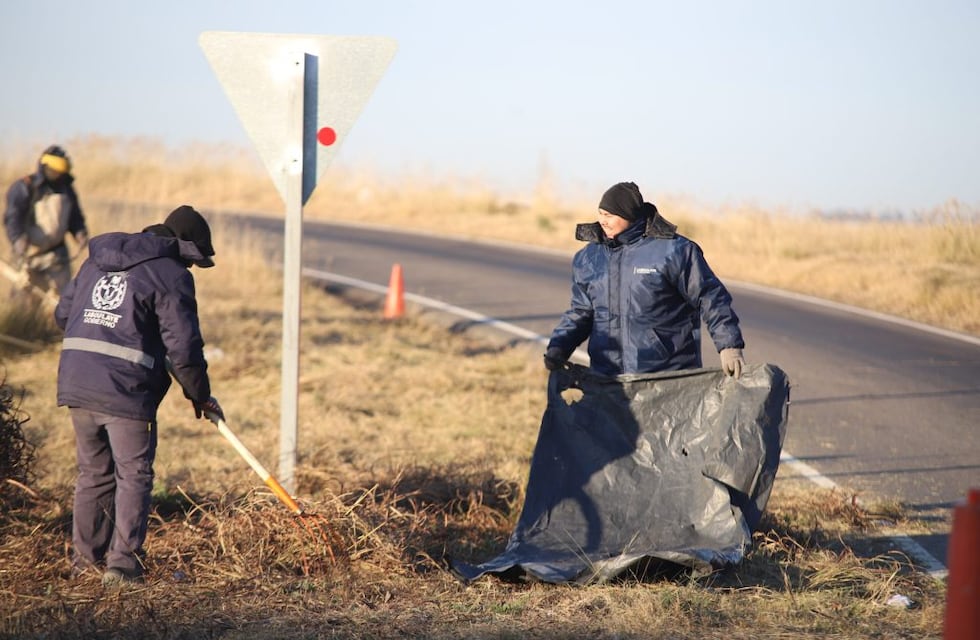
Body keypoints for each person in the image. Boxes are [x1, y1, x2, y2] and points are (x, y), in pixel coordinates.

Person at [54, 205, 223, 587]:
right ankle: (123, 566)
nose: (191, 267)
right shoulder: (171, 273)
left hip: (77, 381)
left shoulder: (95, 260)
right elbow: (183, 347)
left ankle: (85, 564)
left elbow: (62, 316)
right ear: (183, 245)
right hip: (126, 392)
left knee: (93, 474)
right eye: (193, 260)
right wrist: (200, 394)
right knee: (134, 474)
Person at [544, 181, 745, 378]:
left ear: (628, 214)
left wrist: (729, 346)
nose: (603, 221)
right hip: (607, 379)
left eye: (609, 215)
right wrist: (559, 346)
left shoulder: (675, 251)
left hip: (668, 377)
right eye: (600, 214)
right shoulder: (588, 258)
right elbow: (581, 311)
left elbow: (710, 297)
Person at [4, 145, 88, 296]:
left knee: (60, 301)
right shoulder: (25, 186)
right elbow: (13, 217)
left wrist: (80, 233)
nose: (56, 174)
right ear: (44, 167)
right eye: (53, 170)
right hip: (28, 255)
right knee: (23, 298)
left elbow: (75, 217)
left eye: (60, 171)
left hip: (56, 256)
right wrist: (17, 239)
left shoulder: (67, 190)